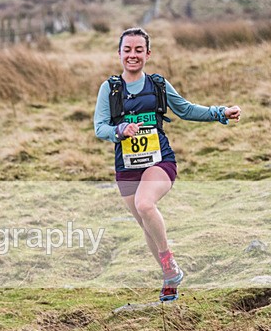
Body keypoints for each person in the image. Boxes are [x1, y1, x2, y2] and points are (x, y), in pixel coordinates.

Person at [94, 27, 240, 302]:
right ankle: (170, 278)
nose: (133, 55)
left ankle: (169, 264)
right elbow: (99, 127)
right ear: (119, 53)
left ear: (148, 54)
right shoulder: (110, 89)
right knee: (147, 224)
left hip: (160, 161)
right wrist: (120, 130)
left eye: (139, 50)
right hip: (126, 167)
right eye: (127, 50)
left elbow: (186, 109)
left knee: (145, 204)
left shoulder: (158, 85)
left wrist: (220, 113)